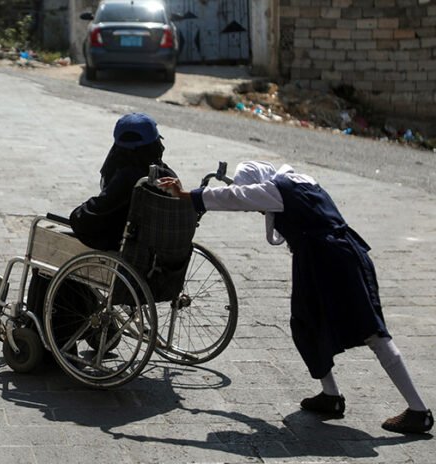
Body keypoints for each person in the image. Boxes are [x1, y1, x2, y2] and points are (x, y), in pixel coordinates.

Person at [158, 161, 433, 434]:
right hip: (326, 259)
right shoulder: (300, 180)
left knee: (373, 332)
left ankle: (418, 410)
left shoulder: (276, 189)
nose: (258, 210)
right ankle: (331, 396)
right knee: (305, 323)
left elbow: (234, 196)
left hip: (333, 261)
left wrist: (186, 195)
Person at [70, 112, 178, 251]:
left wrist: (78, 214)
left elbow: (99, 209)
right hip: (161, 244)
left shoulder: (130, 177)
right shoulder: (164, 173)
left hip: (131, 243)